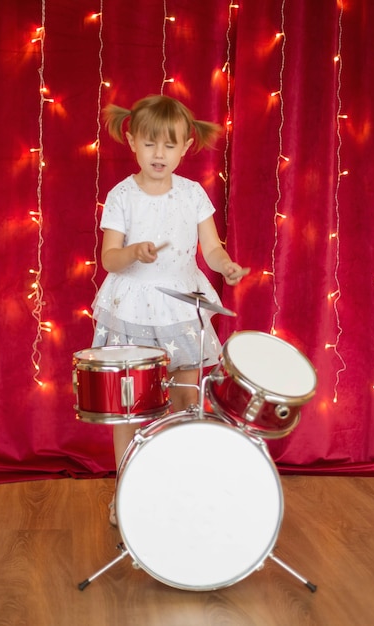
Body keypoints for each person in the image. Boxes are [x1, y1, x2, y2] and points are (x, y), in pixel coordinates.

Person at [92, 94, 250, 525]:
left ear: (185, 148)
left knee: (185, 398)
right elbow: (108, 258)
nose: (158, 154)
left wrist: (226, 266)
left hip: (181, 307)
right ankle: (127, 491)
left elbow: (211, 248)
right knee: (132, 405)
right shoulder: (122, 195)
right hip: (132, 306)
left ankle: (173, 486)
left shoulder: (194, 194)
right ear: (133, 142)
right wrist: (133, 253)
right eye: (150, 143)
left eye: (169, 145)